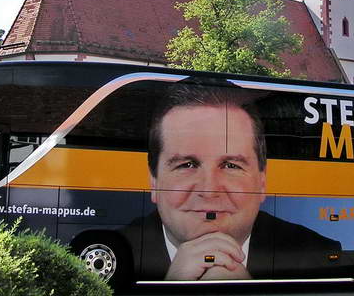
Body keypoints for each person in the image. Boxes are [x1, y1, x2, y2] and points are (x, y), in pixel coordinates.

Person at [121, 84, 342, 281]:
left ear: (262, 182)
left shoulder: (318, 254)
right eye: (186, 165)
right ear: (154, 181)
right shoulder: (117, 255)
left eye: (231, 166)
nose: (209, 191)